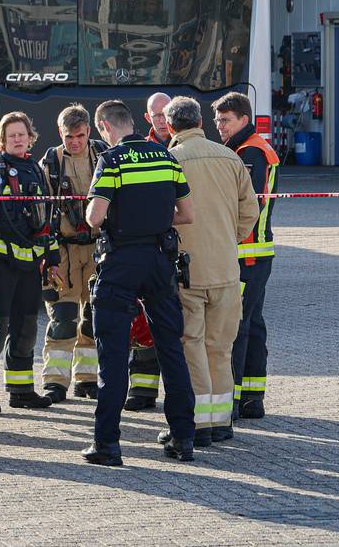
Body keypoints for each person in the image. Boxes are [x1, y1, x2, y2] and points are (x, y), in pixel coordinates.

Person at [82, 100, 198, 466]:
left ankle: (107, 445)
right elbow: (187, 214)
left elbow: (94, 218)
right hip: (161, 261)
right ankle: (182, 438)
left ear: (104, 127)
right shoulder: (166, 157)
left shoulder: (111, 160)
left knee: (113, 355)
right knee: (171, 349)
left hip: (121, 263)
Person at [164, 96, 260, 445]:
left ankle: (198, 425)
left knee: (192, 346)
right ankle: (221, 423)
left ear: (171, 126)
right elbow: (251, 212)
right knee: (220, 347)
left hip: (187, 271)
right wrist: (226, 238)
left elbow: (162, 212)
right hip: (226, 269)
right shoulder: (230, 158)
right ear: (201, 122)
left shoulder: (171, 159)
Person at [0, 112, 56, 414]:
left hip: (30, 267)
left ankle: (21, 390)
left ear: (31, 137)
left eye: (22, 134)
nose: (18, 139)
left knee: (27, 327)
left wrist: (52, 258)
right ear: (2, 140)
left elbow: (48, 220)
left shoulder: (37, 171)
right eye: (12, 135)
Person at [213, 91, 280, 420]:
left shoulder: (249, 151)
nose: (219, 126)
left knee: (235, 327)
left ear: (243, 118)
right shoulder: (246, 148)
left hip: (247, 254)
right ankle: (252, 398)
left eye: (225, 120)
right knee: (251, 325)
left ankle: (233, 401)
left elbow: (242, 205)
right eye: (216, 120)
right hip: (255, 253)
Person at [39, 104, 105, 402]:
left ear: (88, 132)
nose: (74, 141)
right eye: (69, 137)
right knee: (63, 317)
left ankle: (87, 379)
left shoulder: (103, 155)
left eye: (79, 135)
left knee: (92, 315)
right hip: (63, 250)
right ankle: (55, 381)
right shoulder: (51, 162)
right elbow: (41, 210)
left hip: (96, 248)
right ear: (60, 134)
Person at [126, 91, 173, 410]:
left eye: (167, 114)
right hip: (149, 247)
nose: (163, 120)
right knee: (144, 320)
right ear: (148, 119)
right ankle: (142, 390)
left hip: (177, 248)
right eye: (157, 116)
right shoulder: (141, 151)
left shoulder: (186, 148)